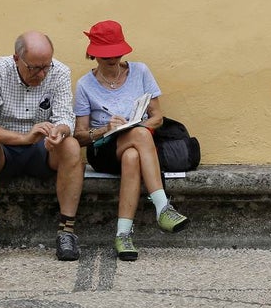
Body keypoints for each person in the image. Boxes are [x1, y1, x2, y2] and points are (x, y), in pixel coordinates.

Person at [73, 20, 189, 261]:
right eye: (106, 55)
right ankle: (163, 207)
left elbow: (156, 117)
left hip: (138, 144)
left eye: (116, 53)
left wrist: (135, 126)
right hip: (103, 149)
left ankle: (123, 234)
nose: (112, 58)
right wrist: (107, 127)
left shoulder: (141, 72)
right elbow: (80, 135)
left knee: (133, 154)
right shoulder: (85, 85)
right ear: (93, 53)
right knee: (138, 137)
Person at [0, 31, 84, 262]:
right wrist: (24, 138)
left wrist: (58, 133)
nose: (42, 74)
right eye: (34, 68)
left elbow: (66, 119)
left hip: (45, 149)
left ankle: (67, 232)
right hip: (6, 149)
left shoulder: (59, 71)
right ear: (16, 59)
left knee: (71, 146)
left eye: (46, 67)